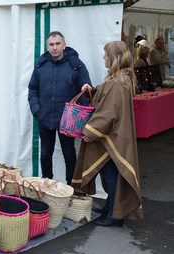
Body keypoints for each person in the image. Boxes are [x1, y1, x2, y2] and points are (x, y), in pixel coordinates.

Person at [71, 41, 143, 227]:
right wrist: (93, 91)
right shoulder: (120, 79)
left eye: (105, 55)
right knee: (109, 173)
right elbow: (108, 103)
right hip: (114, 135)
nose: (104, 58)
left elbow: (109, 112)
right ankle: (111, 208)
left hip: (111, 137)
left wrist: (90, 132)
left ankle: (115, 215)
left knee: (111, 174)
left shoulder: (117, 82)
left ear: (113, 58)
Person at [28, 31, 92, 185]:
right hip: (45, 118)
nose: (55, 47)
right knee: (45, 154)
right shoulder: (41, 65)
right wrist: (37, 110)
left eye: (58, 44)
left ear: (64, 45)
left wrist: (80, 117)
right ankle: (47, 185)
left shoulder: (76, 65)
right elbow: (33, 89)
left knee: (69, 154)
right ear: (47, 46)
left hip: (68, 120)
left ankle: (72, 187)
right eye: (51, 44)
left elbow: (86, 92)